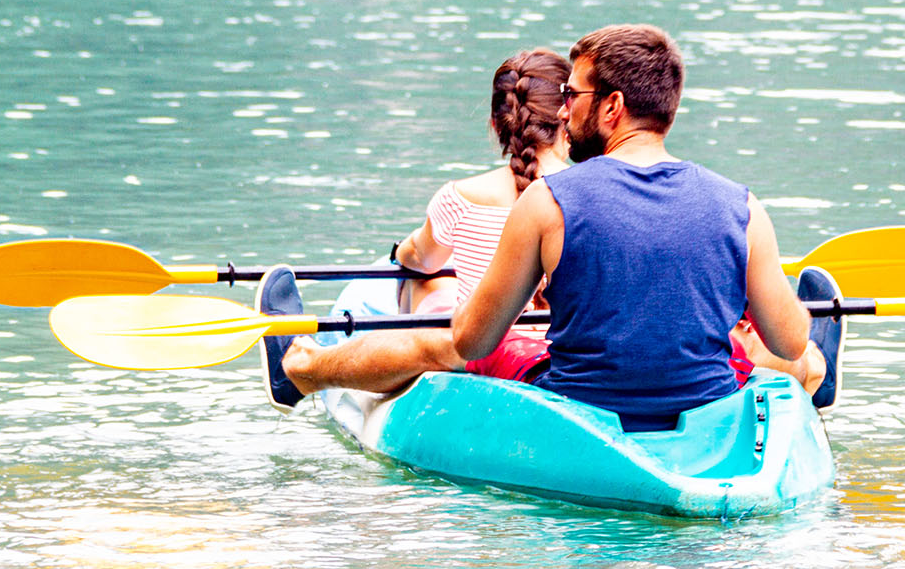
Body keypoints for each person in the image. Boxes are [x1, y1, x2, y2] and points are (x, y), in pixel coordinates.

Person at [454, 24, 843, 429]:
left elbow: (473, 341)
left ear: (612, 106)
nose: (562, 110)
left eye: (571, 95)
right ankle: (818, 371)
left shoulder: (544, 200)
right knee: (751, 347)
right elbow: (790, 341)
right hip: (704, 407)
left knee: (506, 346)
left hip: (580, 409)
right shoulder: (743, 208)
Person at [260, 49, 572, 409]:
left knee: (423, 276)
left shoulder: (461, 197)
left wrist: (401, 252)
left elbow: (419, 259)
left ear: (496, 125)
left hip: (491, 362)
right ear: (567, 117)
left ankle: (303, 369)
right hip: (569, 360)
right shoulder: (592, 197)